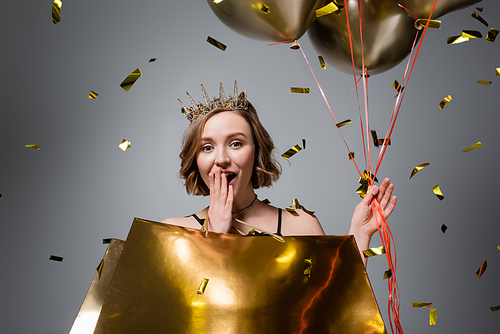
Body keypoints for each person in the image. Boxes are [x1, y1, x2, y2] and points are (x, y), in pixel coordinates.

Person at [162, 81, 396, 266]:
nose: (221, 159)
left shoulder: (302, 226)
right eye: (207, 147)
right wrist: (214, 238)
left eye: (235, 143)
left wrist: (360, 235)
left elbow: (333, 312)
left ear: (257, 151)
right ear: (196, 159)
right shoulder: (172, 233)